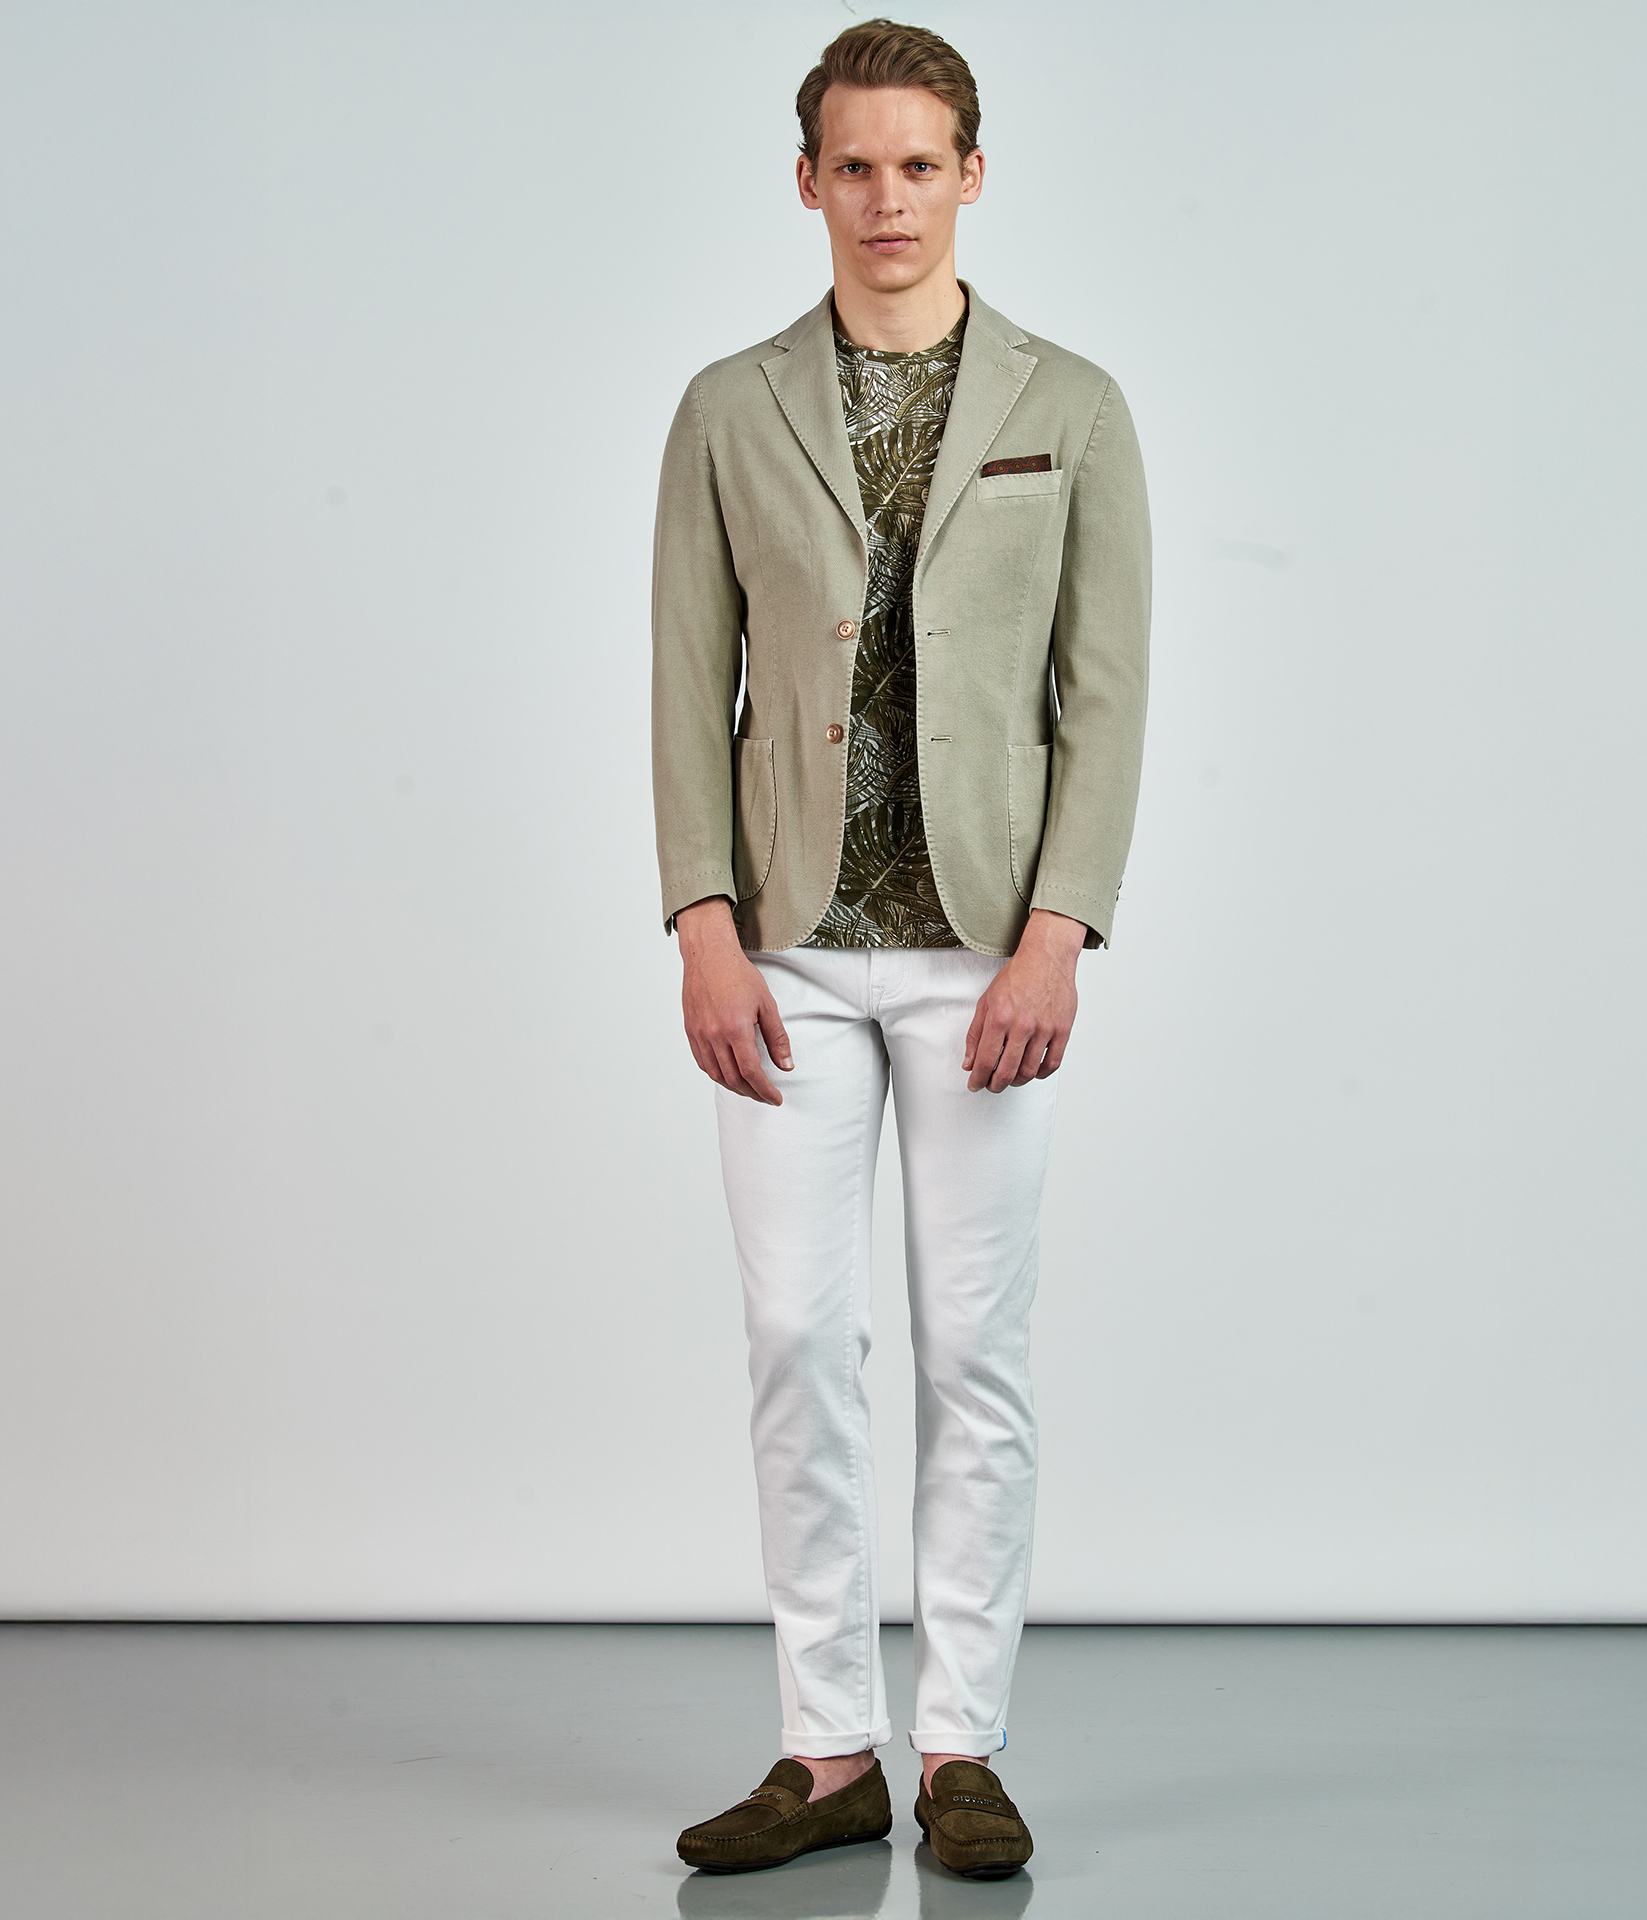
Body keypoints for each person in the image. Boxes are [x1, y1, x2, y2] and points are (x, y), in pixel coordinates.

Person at [652, 16, 1150, 1881]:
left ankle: (960, 1750)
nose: (886, 198)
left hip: (986, 955)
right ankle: (824, 1747)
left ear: (971, 174)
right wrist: (702, 926)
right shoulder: (728, 407)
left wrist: (1060, 934)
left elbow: (1107, 696)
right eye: (853, 166)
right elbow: (683, 682)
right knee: (799, 1339)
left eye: (918, 164)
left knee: (973, 1355)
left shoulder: (1070, 404)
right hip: (786, 950)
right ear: (808, 181)